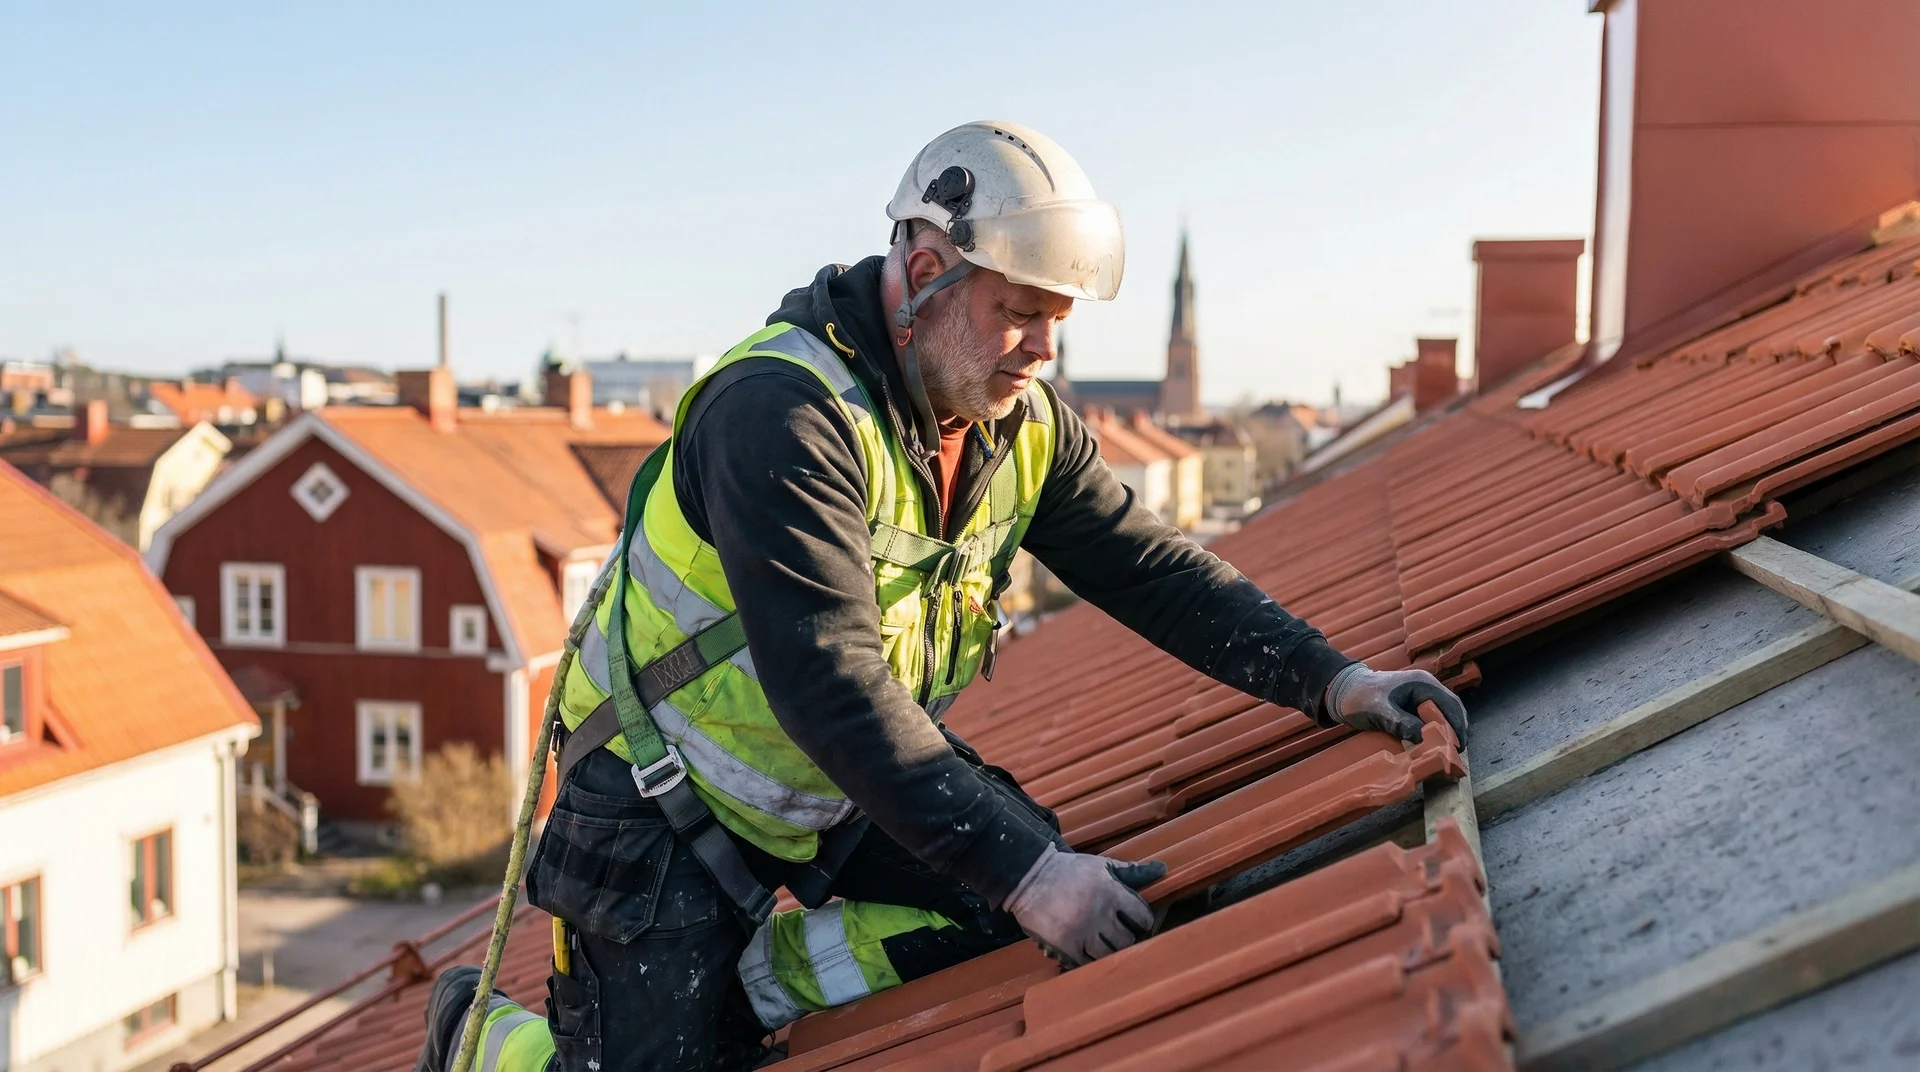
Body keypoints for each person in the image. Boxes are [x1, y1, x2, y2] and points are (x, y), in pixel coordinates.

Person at [416, 120, 1467, 1072]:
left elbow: (1149, 568)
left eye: (1057, 322)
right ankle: (487, 1036)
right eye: (1018, 315)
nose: (1044, 350)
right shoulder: (780, 416)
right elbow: (828, 680)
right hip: (665, 792)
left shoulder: (1019, 423)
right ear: (924, 271)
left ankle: (751, 985)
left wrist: (1331, 679)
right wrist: (1023, 870)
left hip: (832, 783)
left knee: (1040, 904)